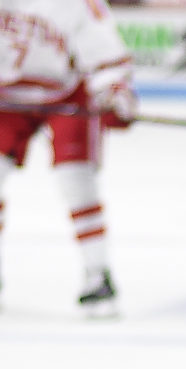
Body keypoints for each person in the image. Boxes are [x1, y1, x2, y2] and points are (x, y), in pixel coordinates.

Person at [0, 0, 135, 316]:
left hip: (68, 95)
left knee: (75, 178)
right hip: (6, 98)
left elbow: (105, 54)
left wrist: (114, 92)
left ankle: (97, 273)